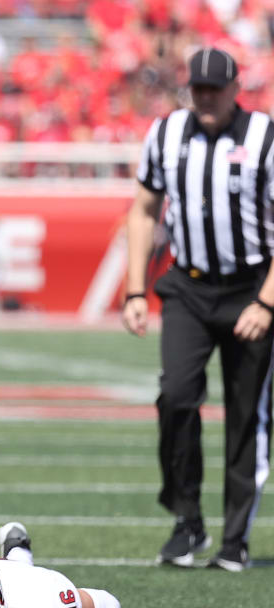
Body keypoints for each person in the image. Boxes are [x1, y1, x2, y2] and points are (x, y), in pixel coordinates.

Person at [123, 47, 274, 572]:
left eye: (217, 88)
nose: (207, 97)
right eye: (199, 88)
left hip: (250, 286)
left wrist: (266, 301)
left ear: (236, 87)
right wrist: (135, 290)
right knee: (177, 397)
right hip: (187, 286)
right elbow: (142, 210)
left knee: (246, 415)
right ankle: (187, 521)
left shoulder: (265, 138)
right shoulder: (166, 134)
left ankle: (235, 539)